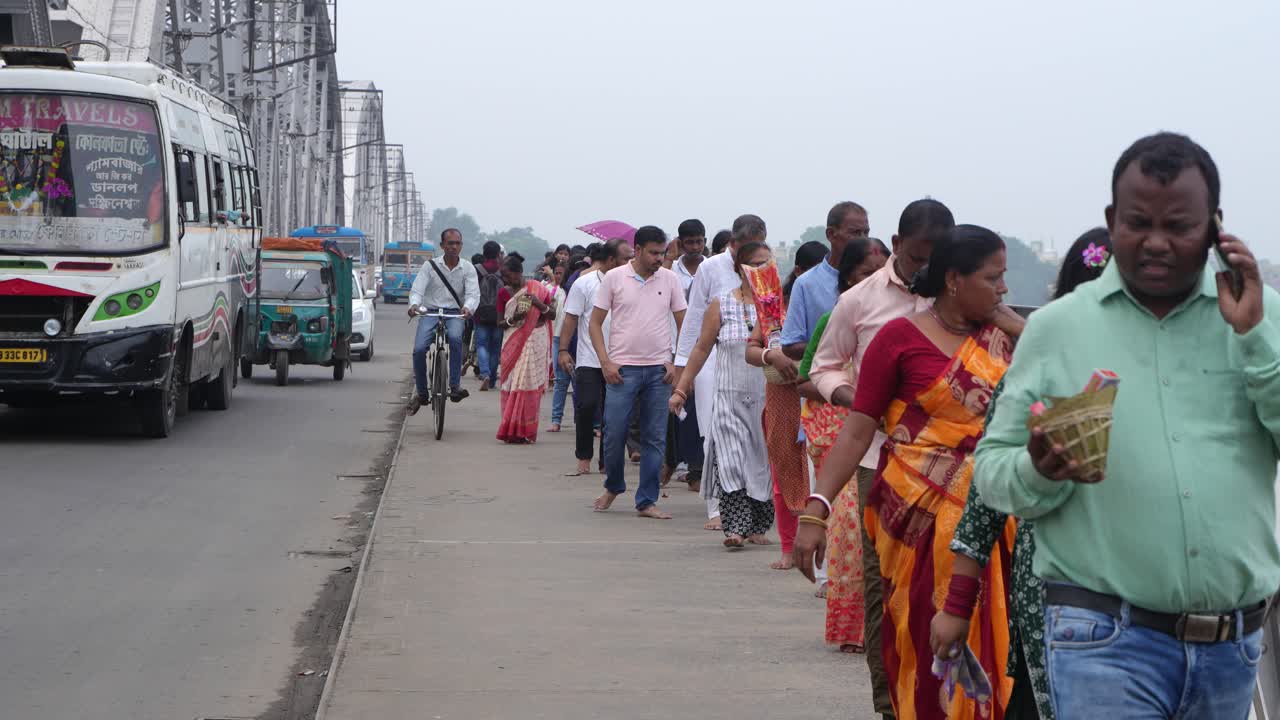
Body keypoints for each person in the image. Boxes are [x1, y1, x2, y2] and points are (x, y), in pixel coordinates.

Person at [975, 132, 1280, 720]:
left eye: (1181, 226)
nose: (1157, 243)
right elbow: (992, 476)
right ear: (1112, 220)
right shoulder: (1057, 329)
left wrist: (1256, 339)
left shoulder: (1261, 320)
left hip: (1232, 647)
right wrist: (1037, 468)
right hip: (1103, 638)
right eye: (1138, 222)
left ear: (1216, 226)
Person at [798, 224, 1026, 720]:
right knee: (921, 637)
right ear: (952, 280)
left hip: (997, 520)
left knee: (1007, 646)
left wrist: (1022, 331)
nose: (1003, 289)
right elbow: (858, 430)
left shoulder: (1008, 341)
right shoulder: (899, 339)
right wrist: (816, 508)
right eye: (993, 278)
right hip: (914, 518)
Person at [931, 227, 1111, 720]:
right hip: (1056, 595)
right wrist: (957, 607)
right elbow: (985, 500)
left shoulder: (1176, 374)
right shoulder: (1038, 370)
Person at [805, 198, 956, 719]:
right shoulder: (861, 300)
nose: (925, 272)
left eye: (937, 261)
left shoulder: (964, 303)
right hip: (879, 461)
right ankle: (889, 705)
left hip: (956, 471)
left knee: (956, 589)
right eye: (917, 259)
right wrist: (858, 399)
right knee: (887, 591)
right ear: (895, 247)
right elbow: (822, 368)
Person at [795, 237, 888, 652]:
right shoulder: (835, 318)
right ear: (848, 278)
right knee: (851, 533)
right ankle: (855, 631)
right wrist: (851, 394)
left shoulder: (906, 321)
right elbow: (805, 379)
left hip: (891, 440)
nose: (877, 283)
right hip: (842, 436)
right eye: (868, 275)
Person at [670, 241, 774, 547]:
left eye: (767, 264)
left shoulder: (777, 307)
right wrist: (680, 388)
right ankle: (735, 529)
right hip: (728, 397)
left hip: (767, 400)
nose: (762, 270)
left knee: (761, 464)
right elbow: (701, 349)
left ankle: (758, 527)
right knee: (730, 462)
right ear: (738, 268)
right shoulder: (720, 304)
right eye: (755, 264)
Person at [589, 226, 687, 519]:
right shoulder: (614, 278)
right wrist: (605, 362)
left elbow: (685, 323)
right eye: (654, 253)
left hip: (659, 371)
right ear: (638, 249)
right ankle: (614, 485)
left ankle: (646, 500)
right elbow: (594, 323)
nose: (659, 258)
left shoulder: (670, 280)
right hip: (622, 370)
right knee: (614, 432)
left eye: (663, 253)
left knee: (654, 437)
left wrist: (674, 362)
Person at [559, 241, 626, 474]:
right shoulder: (584, 283)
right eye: (625, 259)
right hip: (589, 357)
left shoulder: (634, 284)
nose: (629, 263)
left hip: (622, 358)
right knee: (586, 406)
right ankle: (584, 457)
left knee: (614, 412)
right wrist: (563, 350)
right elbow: (570, 318)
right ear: (610, 260)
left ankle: (607, 461)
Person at [407, 228, 480, 415]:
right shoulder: (429, 266)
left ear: (461, 246)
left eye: (457, 243)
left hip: (455, 313)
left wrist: (468, 308)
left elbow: (473, 294)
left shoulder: (468, 268)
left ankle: (455, 386)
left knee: (455, 339)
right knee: (419, 349)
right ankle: (422, 393)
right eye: (450, 243)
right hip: (430, 312)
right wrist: (414, 305)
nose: (454, 247)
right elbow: (417, 290)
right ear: (442, 246)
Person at [664, 219, 708, 491]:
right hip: (675, 347)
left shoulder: (711, 268)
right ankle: (672, 461)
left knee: (699, 410)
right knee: (676, 407)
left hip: (706, 348)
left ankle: (696, 469)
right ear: (680, 243)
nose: (694, 247)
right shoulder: (671, 272)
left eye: (699, 241)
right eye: (689, 242)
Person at [495, 255, 556, 443]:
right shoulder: (504, 293)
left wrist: (538, 304)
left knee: (530, 385)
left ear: (519, 272)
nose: (506, 280)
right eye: (503, 277)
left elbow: (552, 314)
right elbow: (499, 323)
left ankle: (526, 431)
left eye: (509, 275)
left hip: (536, 340)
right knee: (513, 383)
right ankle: (510, 429)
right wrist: (514, 318)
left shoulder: (537, 289)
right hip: (513, 341)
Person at [473, 240, 506, 391]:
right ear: (498, 254)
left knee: (481, 344)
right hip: (500, 315)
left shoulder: (477, 269)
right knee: (495, 348)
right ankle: (492, 379)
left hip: (481, 314)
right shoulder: (504, 270)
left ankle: (484, 373)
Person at [548, 261, 571, 433]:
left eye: (562, 273)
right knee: (560, 381)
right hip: (558, 338)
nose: (558, 276)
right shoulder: (557, 292)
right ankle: (556, 420)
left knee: (580, 383)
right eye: (556, 272)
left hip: (576, 340)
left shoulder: (577, 291)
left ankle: (590, 423)